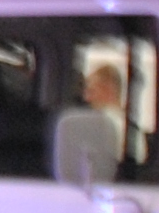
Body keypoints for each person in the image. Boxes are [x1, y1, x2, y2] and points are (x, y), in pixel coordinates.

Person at [51, 55, 129, 188]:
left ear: (108, 90)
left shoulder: (106, 123)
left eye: (92, 90)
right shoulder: (126, 124)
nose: (86, 98)